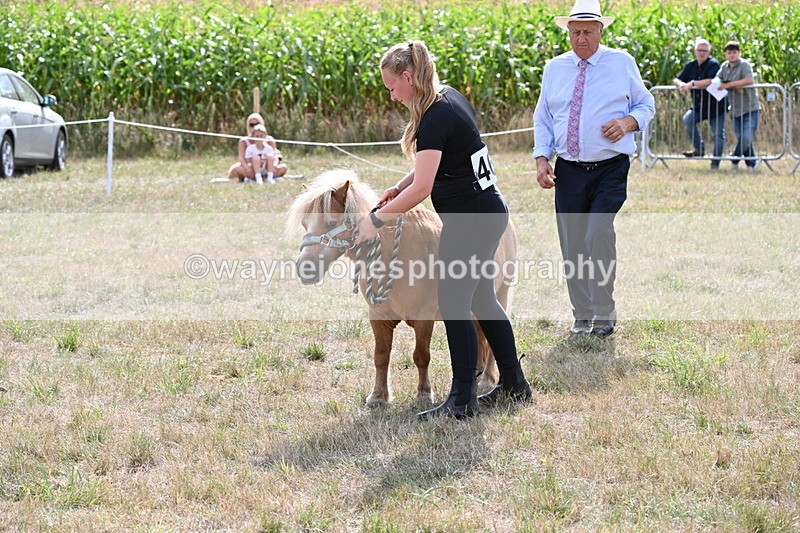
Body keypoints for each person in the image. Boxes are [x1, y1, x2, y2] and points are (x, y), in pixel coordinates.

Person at [354, 40, 531, 421]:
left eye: (392, 86)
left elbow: (424, 187)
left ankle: (462, 399)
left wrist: (375, 220)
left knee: (455, 303)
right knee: (482, 299)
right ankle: (515, 386)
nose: (392, 95)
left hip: (471, 220)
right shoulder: (448, 98)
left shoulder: (434, 118)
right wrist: (398, 188)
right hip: (485, 213)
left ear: (408, 76)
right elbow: (428, 169)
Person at [532, 0, 655, 337]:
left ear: (601, 30)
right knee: (573, 243)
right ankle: (582, 313)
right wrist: (542, 159)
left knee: (597, 232)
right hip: (568, 169)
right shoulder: (554, 68)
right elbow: (543, 117)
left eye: (587, 31)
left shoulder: (621, 63)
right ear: (568, 33)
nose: (581, 38)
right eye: (575, 32)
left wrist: (628, 121)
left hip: (610, 167)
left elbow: (646, 104)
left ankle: (604, 309)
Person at [673, 38, 728, 169]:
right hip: (699, 106)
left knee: (718, 135)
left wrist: (691, 84)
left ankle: (715, 162)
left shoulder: (713, 64)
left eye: (704, 51)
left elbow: (711, 80)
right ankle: (699, 149)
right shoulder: (691, 65)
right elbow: (677, 78)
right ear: (695, 51)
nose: (702, 53)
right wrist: (681, 85)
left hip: (716, 106)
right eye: (699, 50)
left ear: (709, 52)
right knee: (688, 119)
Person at [717, 41, 761, 169]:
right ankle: (751, 164)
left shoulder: (744, 65)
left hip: (750, 108)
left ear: (739, 53)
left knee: (746, 137)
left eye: (734, 52)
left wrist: (729, 85)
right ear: (725, 54)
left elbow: (749, 80)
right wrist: (733, 86)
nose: (732, 55)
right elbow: (718, 81)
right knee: (743, 139)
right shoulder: (724, 67)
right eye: (729, 52)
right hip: (735, 109)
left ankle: (735, 158)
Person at [227, 113, 288, 182]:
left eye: (257, 124)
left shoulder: (269, 139)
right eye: (252, 125)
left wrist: (274, 165)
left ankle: (268, 177)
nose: (254, 126)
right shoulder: (244, 141)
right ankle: (257, 177)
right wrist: (248, 169)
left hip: (268, 167)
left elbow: (275, 155)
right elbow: (242, 158)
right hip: (251, 167)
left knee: (283, 167)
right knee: (236, 169)